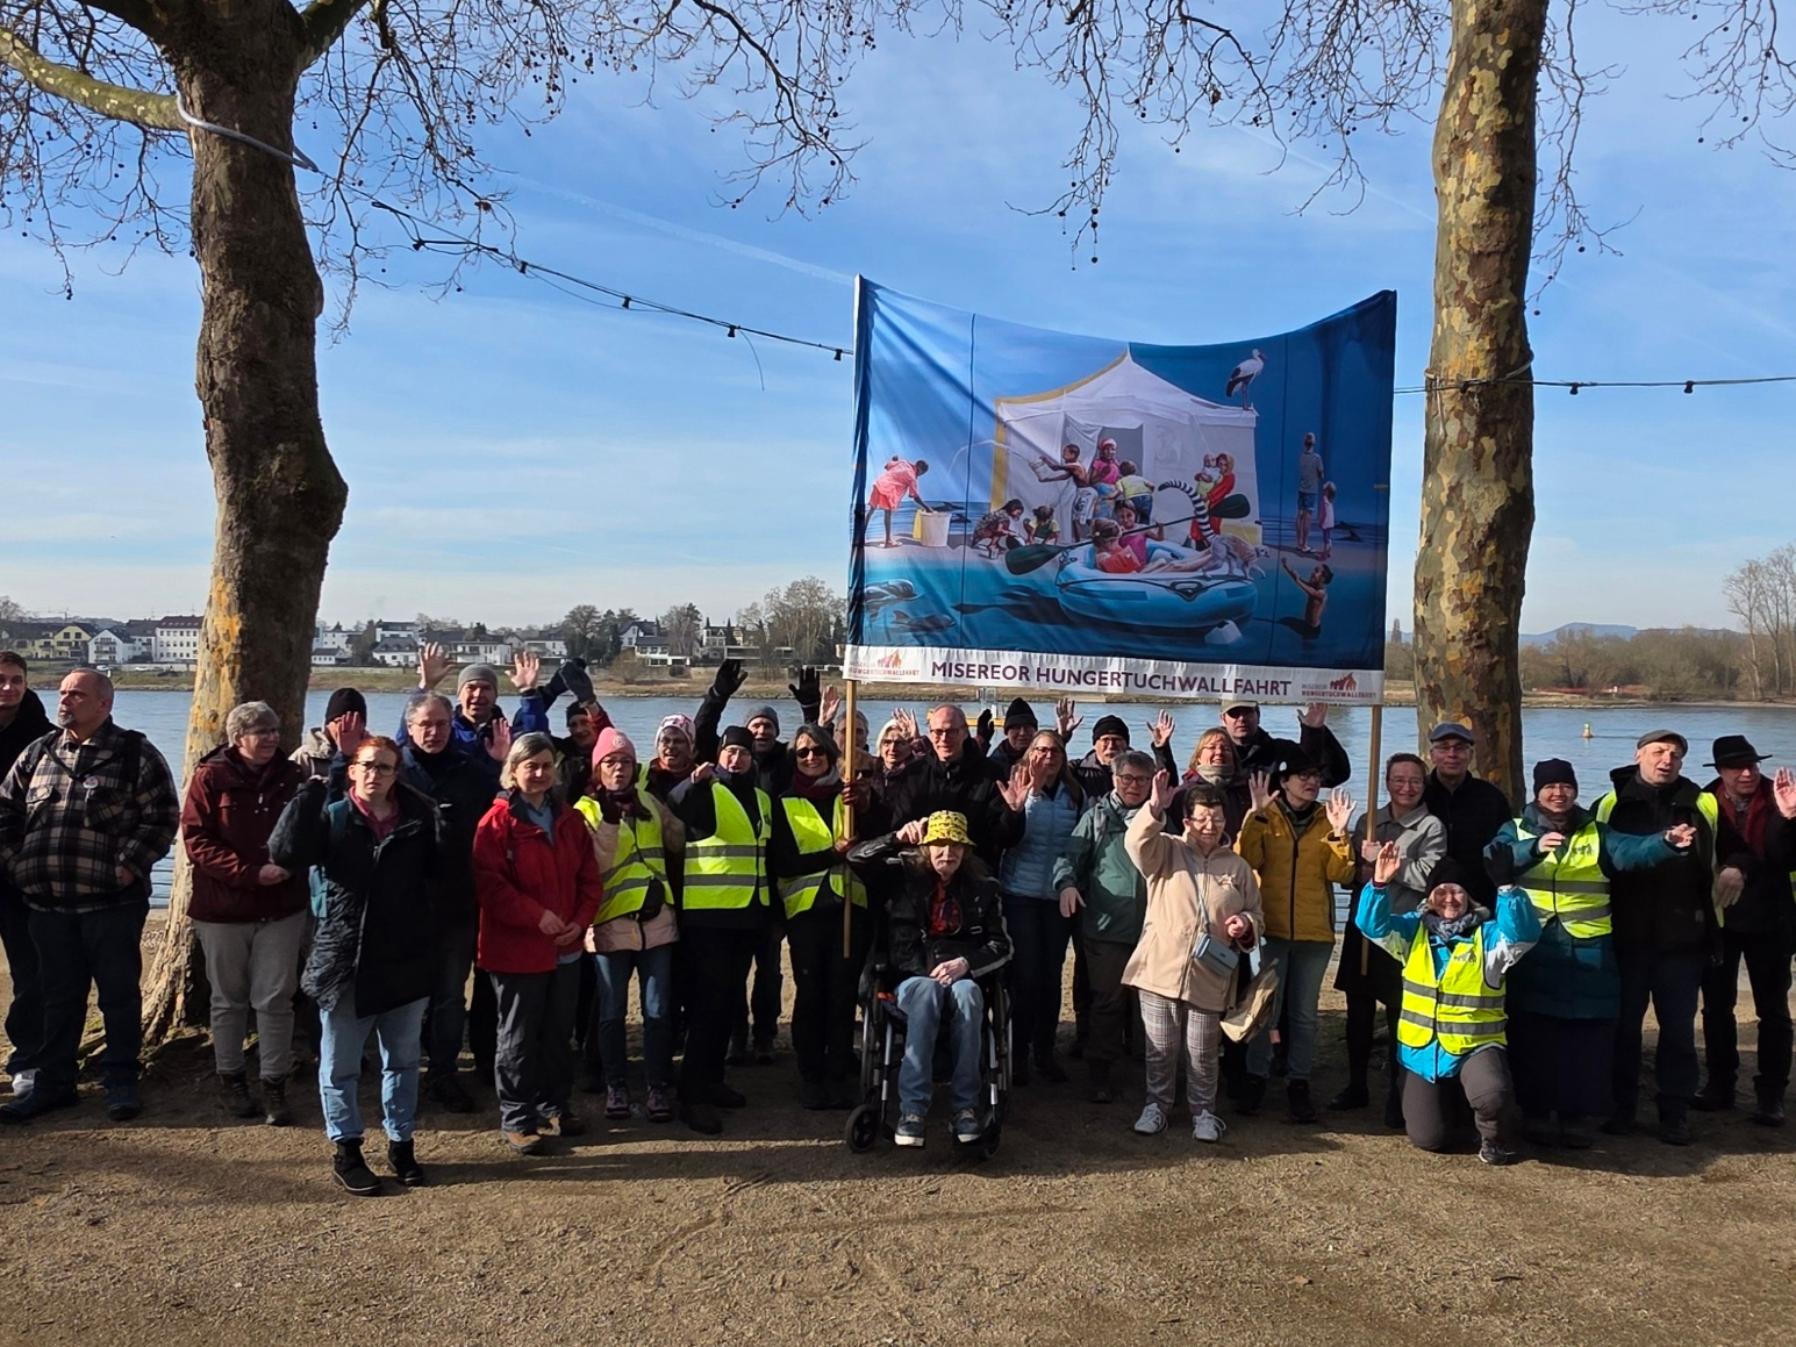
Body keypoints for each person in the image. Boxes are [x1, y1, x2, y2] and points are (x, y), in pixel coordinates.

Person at [1485, 757, 1693, 1148]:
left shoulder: (1597, 832)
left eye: (1565, 786)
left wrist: (1666, 843)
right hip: (1531, 950)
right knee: (1533, 1035)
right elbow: (1493, 859)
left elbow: (1632, 851)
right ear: (1537, 791)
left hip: (1589, 953)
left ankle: (1577, 1115)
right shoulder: (1514, 828)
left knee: (1586, 1038)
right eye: (1550, 786)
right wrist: (1532, 849)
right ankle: (1535, 1112)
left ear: (1575, 790)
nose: (1558, 793)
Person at [0, 668, 178, 1125]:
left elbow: (161, 818)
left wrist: (127, 866)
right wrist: (16, 863)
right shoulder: (38, 752)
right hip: (47, 906)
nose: (65, 701)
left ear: (104, 704)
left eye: (76, 694)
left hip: (112, 906)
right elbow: (5, 811)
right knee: (57, 997)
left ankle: (121, 1081)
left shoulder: (135, 753)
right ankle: (55, 1084)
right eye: (61, 693)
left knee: (118, 997)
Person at [270, 734, 440, 1195]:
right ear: (352, 769)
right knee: (341, 1064)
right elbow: (285, 852)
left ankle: (401, 1142)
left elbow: (438, 879)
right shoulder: (334, 817)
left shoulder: (419, 818)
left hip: (405, 959)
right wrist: (309, 790)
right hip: (344, 959)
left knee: (403, 1061)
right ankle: (346, 1147)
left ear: (396, 773)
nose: (374, 775)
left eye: (384, 767)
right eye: (367, 765)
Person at [352, 693, 507, 1114]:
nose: (434, 732)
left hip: (456, 905)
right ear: (410, 727)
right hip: (399, 907)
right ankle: (398, 1076)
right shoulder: (393, 773)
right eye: (425, 725)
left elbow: (498, 830)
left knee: (449, 997)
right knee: (401, 996)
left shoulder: (473, 773)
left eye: (441, 724)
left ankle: (443, 1074)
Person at [1356, 852, 1540, 1164]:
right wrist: (1379, 883)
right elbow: (1371, 926)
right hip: (1421, 1051)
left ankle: (1493, 1136)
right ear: (1429, 898)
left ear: (1469, 897)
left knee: (1491, 1094)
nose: (1449, 899)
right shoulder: (1412, 931)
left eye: (1457, 891)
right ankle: (1445, 1107)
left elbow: (1524, 934)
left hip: (1475, 1047)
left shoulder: (1490, 936)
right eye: (1440, 891)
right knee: (1430, 1139)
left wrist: (1507, 888)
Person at [473, 732, 603, 1154]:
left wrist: (579, 921)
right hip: (516, 951)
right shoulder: (495, 824)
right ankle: (516, 1115)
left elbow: (589, 879)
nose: (540, 773)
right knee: (518, 1035)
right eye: (531, 766)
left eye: (547, 766)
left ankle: (554, 1104)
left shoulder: (570, 820)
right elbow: (491, 887)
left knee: (557, 1033)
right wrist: (538, 917)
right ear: (513, 771)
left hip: (565, 947)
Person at [848, 811, 1012, 1147]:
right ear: (926, 847)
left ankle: (965, 1107)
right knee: (925, 993)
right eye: (938, 844)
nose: (947, 853)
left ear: (965, 851)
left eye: (954, 846)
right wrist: (894, 839)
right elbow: (855, 858)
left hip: (963, 979)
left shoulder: (984, 888)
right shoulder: (901, 875)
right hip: (912, 975)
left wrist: (966, 963)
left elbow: (1001, 945)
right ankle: (913, 1110)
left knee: (968, 995)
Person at [181, 701, 310, 1126]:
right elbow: (197, 841)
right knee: (228, 999)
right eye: (260, 731)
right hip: (222, 910)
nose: (271, 737)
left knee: (275, 998)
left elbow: (309, 828)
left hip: (282, 908)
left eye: (274, 729)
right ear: (238, 738)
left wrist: (290, 865)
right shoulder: (210, 777)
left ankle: (274, 1083)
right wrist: (251, 873)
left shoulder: (294, 776)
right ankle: (231, 1078)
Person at [1593, 730, 1720, 1145]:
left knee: (1679, 1031)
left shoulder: (1702, 803)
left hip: (1682, 939)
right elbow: (1595, 863)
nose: (1666, 760)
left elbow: (1726, 853)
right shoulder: (1609, 804)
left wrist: (1736, 868)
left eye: (1675, 754)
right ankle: (1621, 1107)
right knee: (1624, 1028)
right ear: (1638, 756)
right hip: (1625, 938)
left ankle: (1674, 1112)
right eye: (1658, 752)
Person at [1123, 776, 1262, 1140]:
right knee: (1161, 1047)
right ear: (1186, 821)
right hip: (1159, 967)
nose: (1209, 826)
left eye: (1216, 819)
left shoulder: (1237, 868)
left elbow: (1256, 914)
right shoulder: (1165, 850)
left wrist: (1244, 923)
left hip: (1210, 972)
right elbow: (1135, 843)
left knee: (1202, 1050)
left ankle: (1204, 1112)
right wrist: (1153, 808)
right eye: (1201, 818)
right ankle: (1156, 1106)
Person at [667, 726, 783, 1134]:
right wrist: (691, 783)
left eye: (743, 754)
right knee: (706, 1009)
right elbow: (675, 806)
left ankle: (713, 1080)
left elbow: (764, 858)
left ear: (753, 759)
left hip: (749, 917)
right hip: (708, 918)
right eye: (730, 752)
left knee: (728, 1005)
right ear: (718, 756)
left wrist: (771, 916)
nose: (736, 760)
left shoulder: (764, 800)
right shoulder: (706, 791)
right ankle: (692, 1095)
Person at [1234, 752, 1357, 1121]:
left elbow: (1343, 875)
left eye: (1315, 776)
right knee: (1264, 1009)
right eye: (1302, 775)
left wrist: (1339, 833)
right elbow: (1246, 862)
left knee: (1303, 1015)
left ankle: (1298, 1082)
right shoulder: (1264, 815)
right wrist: (1254, 816)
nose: (1311, 782)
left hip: (1314, 933)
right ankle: (1256, 1077)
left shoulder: (1326, 818)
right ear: (1284, 782)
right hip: (1269, 930)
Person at [573, 728, 683, 1123]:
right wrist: (610, 819)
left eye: (624, 762)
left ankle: (657, 1086)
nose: (618, 769)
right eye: (610, 763)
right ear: (598, 769)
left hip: (657, 923)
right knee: (611, 1013)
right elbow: (595, 863)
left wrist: (686, 796)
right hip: (610, 922)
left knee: (657, 1012)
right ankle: (615, 1085)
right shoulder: (584, 811)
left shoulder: (650, 803)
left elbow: (677, 842)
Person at [1332, 753, 1445, 1127]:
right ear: (1387, 782)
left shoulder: (1431, 826)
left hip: (1403, 930)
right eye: (1398, 779)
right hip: (1364, 927)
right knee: (1359, 1009)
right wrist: (1354, 853)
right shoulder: (1369, 822)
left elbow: (1429, 877)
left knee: (1401, 1012)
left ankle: (1399, 1093)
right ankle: (1355, 1083)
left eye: (1414, 780)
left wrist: (1382, 863)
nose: (1406, 787)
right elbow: (1351, 876)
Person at [1694, 738, 1796, 1124]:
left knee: (1773, 1012)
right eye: (1737, 766)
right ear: (1720, 772)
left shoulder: (1781, 797)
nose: (1748, 772)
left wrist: (1789, 820)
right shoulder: (1703, 802)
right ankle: (1719, 1085)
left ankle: (1771, 1095)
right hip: (1720, 920)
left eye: (1752, 764)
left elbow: (1785, 859)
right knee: (1717, 1007)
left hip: (1771, 920)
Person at [770, 724, 868, 1109]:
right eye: (803, 753)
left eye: (818, 751)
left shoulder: (848, 798)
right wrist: (832, 854)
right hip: (808, 913)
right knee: (812, 994)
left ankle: (838, 1070)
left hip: (849, 910)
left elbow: (873, 839)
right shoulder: (784, 803)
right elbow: (783, 861)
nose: (811, 758)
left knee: (843, 995)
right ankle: (811, 1073)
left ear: (830, 754)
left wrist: (865, 805)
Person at [1054, 749, 1155, 1102]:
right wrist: (1065, 884)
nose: (1134, 786)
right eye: (1127, 778)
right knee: (1107, 1002)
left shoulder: (1160, 820)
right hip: (1106, 928)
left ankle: (1150, 1072)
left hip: (1151, 929)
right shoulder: (1096, 818)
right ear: (1114, 779)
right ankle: (1100, 1072)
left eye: (1142, 780)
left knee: (1151, 1004)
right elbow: (1069, 858)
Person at [999, 730, 1085, 1086]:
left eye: (1055, 750)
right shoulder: (1015, 784)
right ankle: (1017, 1055)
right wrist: (1016, 807)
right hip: (1019, 893)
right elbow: (1005, 838)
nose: (1048, 757)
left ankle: (1044, 1054)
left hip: (1056, 897)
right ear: (1029, 753)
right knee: (1026, 977)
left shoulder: (1075, 794)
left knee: (1051, 978)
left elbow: (1081, 842)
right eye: (1041, 750)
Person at [869, 704, 1026, 865]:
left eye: (951, 732)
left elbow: (1005, 839)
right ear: (930, 733)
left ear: (965, 732)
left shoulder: (991, 774)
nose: (944, 739)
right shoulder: (913, 774)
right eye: (938, 732)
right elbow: (897, 826)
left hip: (972, 876)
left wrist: (1014, 813)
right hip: (923, 875)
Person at [0, 651, 52, 1100]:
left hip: (19, 874)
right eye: (0, 680)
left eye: (16, 680)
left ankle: (28, 1057)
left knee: (30, 970)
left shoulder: (45, 739)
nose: (8, 688)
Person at [1421, 722, 1512, 910]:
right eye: (1444, 748)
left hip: (1480, 898)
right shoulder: (1419, 794)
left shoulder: (1491, 797)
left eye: (1460, 748)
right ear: (1432, 755)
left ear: (1470, 755)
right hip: (1426, 897)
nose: (1452, 754)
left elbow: (1505, 845)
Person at [407, 644, 550, 754]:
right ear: (459, 694)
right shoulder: (445, 732)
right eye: (471, 687)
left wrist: (528, 692)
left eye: (486, 688)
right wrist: (426, 686)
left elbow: (538, 742)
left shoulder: (506, 735)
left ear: (495, 696)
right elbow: (408, 739)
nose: (478, 694)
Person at [1219, 699, 1350, 785]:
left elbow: (1335, 775)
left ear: (1258, 715)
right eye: (1234, 713)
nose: (1241, 719)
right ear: (1223, 719)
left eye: (1247, 712)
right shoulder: (1212, 754)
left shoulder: (1282, 752)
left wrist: (1314, 731)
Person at [1170, 727, 1249, 836]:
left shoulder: (1246, 790)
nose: (1219, 752)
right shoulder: (1183, 793)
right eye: (1212, 747)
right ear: (1198, 757)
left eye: (1226, 749)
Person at [291, 687, 367, 781]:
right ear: (328, 725)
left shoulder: (376, 755)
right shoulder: (305, 756)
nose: (346, 727)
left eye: (354, 722)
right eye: (339, 721)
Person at [867, 455, 932, 548]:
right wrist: (927, 508)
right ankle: (888, 541)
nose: (919, 476)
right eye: (921, 474)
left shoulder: (903, 462)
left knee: (870, 511)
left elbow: (887, 467)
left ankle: (860, 538)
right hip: (887, 490)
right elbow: (915, 497)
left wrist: (894, 460)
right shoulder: (912, 477)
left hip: (878, 484)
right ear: (921, 470)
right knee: (888, 514)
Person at [1279, 558, 1333, 641]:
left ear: (1322, 578)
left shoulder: (1321, 594)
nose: (1312, 573)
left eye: (1316, 571)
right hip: (1307, 623)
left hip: (1313, 628)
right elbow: (1298, 580)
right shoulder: (1314, 586)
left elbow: (1311, 592)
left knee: (1308, 647)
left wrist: (1298, 580)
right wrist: (1286, 566)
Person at [987, 698, 1040, 775]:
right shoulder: (993, 765)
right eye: (1016, 727)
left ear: (1035, 731)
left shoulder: (1044, 758)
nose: (1022, 733)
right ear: (1006, 732)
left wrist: (1063, 735)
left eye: (1027, 727)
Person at [1295, 431, 1324, 554]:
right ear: (1314, 443)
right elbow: (1321, 474)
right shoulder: (1317, 458)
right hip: (1311, 490)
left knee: (1300, 515)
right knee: (1307, 517)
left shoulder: (1302, 456)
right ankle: (1304, 544)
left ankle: (1298, 542)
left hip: (1301, 488)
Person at [1115, 459, 1154, 524]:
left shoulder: (1121, 481)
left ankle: (1134, 528)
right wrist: (1149, 492)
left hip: (1133, 498)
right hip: (1147, 497)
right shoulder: (1140, 478)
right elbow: (1152, 486)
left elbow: (1120, 491)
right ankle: (1145, 529)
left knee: (1132, 515)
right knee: (1145, 516)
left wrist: (1111, 497)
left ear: (1121, 472)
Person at [1317, 482, 1337, 561]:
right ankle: (1328, 552)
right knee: (1328, 538)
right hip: (1330, 522)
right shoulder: (1331, 499)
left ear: (1327, 491)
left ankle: (1324, 556)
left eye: (1325, 490)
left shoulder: (1324, 499)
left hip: (1326, 522)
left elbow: (1324, 513)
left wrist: (1321, 522)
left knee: (1325, 540)